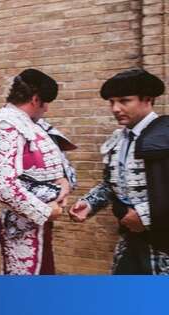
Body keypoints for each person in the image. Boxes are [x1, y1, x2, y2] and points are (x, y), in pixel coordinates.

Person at [69, 68, 169, 274]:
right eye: (112, 102)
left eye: (124, 101)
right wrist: (89, 203)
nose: (115, 108)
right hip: (130, 239)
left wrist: (144, 217)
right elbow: (111, 184)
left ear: (148, 99)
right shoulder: (118, 139)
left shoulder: (165, 134)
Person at [0, 69, 76, 275]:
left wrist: (64, 185)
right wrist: (45, 211)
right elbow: (3, 187)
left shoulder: (33, 125)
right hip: (22, 228)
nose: (47, 109)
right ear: (35, 99)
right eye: (46, 102)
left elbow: (60, 165)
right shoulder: (7, 124)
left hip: (38, 226)